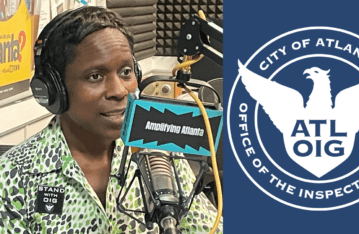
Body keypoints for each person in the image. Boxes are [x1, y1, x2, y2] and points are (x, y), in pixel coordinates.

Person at [0, 6, 222, 234]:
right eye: (95, 76)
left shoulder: (160, 152)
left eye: (126, 72)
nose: (119, 90)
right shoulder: (11, 179)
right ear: (55, 90)